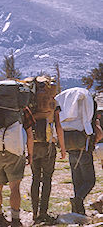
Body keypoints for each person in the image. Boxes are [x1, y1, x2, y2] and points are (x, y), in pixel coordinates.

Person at [55, 87, 96, 215]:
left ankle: (78, 210)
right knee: (90, 180)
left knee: (76, 180)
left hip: (69, 143)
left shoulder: (66, 119)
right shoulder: (86, 102)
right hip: (82, 142)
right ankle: (78, 200)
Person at [0, 107, 34, 227]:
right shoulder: (23, 109)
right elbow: (30, 136)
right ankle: (15, 220)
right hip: (15, 151)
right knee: (14, 186)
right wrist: (30, 154)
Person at [30, 117, 66, 223]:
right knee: (47, 179)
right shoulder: (53, 104)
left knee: (35, 178)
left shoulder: (31, 101)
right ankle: (43, 212)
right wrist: (62, 148)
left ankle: (34, 212)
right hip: (48, 145)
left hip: (33, 144)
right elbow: (58, 125)